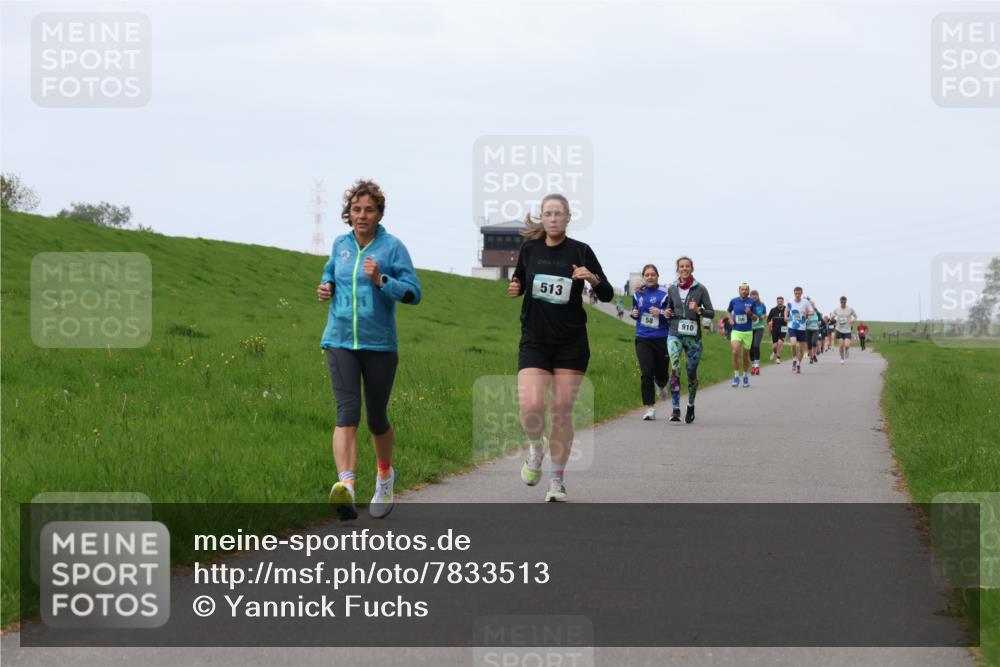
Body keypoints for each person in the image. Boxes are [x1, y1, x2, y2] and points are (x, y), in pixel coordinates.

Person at [319, 179, 422, 521]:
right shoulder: (340, 245)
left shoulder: (392, 248)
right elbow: (331, 271)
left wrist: (382, 280)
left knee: (377, 419)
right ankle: (346, 487)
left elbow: (413, 293)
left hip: (379, 345)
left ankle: (384, 475)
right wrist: (327, 285)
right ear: (348, 214)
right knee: (347, 411)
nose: (362, 215)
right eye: (356, 210)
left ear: (379, 214)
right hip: (340, 340)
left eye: (369, 210)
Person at [509, 193, 613, 502]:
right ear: (542, 218)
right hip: (535, 342)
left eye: (558, 213)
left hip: (571, 343)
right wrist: (515, 288)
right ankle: (535, 448)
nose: (553, 218)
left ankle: (556, 480)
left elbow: (606, 293)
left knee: (561, 413)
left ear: (568, 218)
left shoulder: (581, 251)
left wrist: (591, 278)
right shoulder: (529, 250)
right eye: (548, 213)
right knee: (530, 409)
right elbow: (519, 281)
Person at [663, 256, 714, 423]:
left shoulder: (700, 289)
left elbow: (711, 313)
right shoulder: (672, 288)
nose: (684, 269)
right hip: (674, 333)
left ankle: (690, 405)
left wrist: (699, 309)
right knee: (675, 366)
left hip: (693, 337)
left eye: (687, 266)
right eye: (681, 266)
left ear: (692, 269)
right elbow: (668, 309)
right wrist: (667, 313)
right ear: (677, 269)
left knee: (691, 372)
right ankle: (675, 409)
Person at [630, 264, 669, 420]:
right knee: (646, 373)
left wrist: (659, 312)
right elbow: (634, 312)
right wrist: (633, 313)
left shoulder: (665, 293)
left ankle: (661, 385)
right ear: (643, 277)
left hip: (662, 338)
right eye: (647, 275)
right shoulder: (638, 294)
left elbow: (671, 314)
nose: (650, 277)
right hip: (643, 337)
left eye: (653, 274)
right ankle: (650, 408)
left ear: (657, 276)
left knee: (661, 374)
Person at [727, 283, 757, 387]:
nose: (744, 291)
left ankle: (745, 376)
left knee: (745, 356)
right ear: (739, 290)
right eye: (742, 289)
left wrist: (750, 313)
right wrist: (730, 319)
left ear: (748, 291)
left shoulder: (752, 302)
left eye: (746, 290)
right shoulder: (734, 301)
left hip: (748, 332)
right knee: (735, 351)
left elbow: (755, 318)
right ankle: (736, 376)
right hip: (736, 330)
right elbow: (728, 311)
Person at [786, 287, 813, 374]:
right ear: (794, 293)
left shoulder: (805, 302)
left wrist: (808, 313)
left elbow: (812, 311)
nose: (797, 295)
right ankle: (794, 358)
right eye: (796, 293)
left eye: (799, 293)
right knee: (793, 343)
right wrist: (786, 316)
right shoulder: (790, 301)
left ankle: (798, 364)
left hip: (802, 327)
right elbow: (786, 310)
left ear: (801, 293)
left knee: (802, 349)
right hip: (792, 326)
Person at [831, 296, 858, 363]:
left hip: (847, 330)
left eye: (844, 302)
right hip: (839, 330)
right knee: (841, 345)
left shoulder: (850, 309)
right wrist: (832, 318)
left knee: (846, 345)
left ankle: (846, 350)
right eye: (841, 302)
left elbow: (855, 316)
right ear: (840, 302)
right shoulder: (837, 309)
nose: (843, 303)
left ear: (846, 302)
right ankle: (842, 358)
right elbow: (832, 316)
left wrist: (853, 320)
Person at [749, 289, 767, 375]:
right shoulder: (748, 305)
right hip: (749, 328)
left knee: (756, 345)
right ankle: (753, 366)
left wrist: (763, 316)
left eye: (755, 295)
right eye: (752, 295)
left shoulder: (761, 305)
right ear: (750, 296)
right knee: (751, 347)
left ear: (758, 296)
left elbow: (764, 313)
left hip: (759, 327)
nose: (754, 296)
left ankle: (757, 366)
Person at [767, 296, 788, 364]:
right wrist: (769, 322)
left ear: (783, 302)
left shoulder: (786, 309)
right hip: (774, 329)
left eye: (781, 302)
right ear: (777, 302)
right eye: (778, 302)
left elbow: (790, 317)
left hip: (783, 328)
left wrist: (788, 320)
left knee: (780, 343)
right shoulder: (773, 310)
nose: (780, 303)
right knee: (774, 346)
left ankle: (778, 358)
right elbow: (768, 319)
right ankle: (774, 352)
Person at [806, 299, 821, 364]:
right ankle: (811, 357)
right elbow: (803, 322)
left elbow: (821, 321)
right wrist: (808, 319)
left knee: (814, 342)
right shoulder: (806, 312)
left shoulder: (817, 313)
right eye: (810, 304)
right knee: (809, 345)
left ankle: (814, 355)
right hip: (808, 330)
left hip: (815, 330)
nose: (812, 305)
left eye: (813, 304)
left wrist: (819, 323)